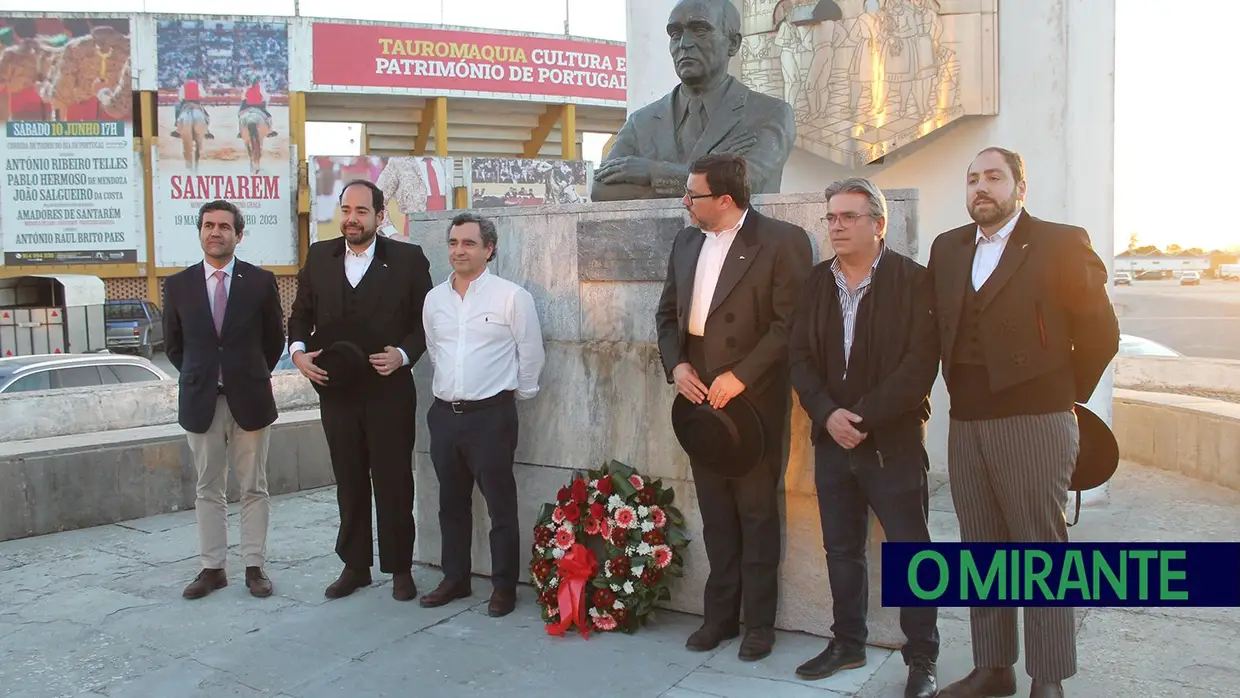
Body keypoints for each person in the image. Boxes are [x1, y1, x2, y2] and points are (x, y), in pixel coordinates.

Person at [928, 147, 1120, 698]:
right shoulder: (948, 247)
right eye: (972, 179)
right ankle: (994, 668)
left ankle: (1049, 678)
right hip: (966, 419)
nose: (980, 188)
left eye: (993, 177)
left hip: (1035, 417)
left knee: (1039, 548)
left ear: (1020, 187)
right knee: (981, 547)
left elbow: (1101, 333)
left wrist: (1059, 397)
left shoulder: (1060, 241)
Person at [654, 153, 813, 660]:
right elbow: (665, 314)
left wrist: (740, 377)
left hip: (753, 397)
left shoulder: (783, 241)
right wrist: (676, 366)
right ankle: (719, 617)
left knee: (758, 513)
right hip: (697, 393)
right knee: (716, 513)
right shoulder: (685, 240)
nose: (685, 201)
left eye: (693, 194)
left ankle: (759, 627)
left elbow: (790, 324)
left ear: (724, 199)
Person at [787, 178, 940, 697]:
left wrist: (863, 418)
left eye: (848, 217)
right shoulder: (814, 284)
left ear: (878, 224)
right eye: (831, 217)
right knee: (842, 550)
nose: (836, 226)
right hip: (832, 443)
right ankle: (847, 643)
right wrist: (828, 415)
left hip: (891, 443)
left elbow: (919, 366)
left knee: (912, 553)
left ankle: (922, 658)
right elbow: (800, 359)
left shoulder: (913, 282)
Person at [287, 179, 434, 602]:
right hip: (338, 389)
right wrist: (298, 354)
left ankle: (400, 567)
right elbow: (300, 315)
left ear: (379, 216)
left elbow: (425, 322)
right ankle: (355, 566)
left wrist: (404, 355)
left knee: (392, 481)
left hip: (389, 390)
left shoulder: (407, 260)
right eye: (346, 210)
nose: (351, 219)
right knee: (348, 480)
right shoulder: (320, 256)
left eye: (361, 211)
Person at [417, 212, 546, 618]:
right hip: (444, 416)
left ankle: (504, 586)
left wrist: (512, 396)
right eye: (453, 242)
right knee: (451, 503)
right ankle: (455, 578)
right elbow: (435, 350)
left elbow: (531, 354)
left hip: (491, 416)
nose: (459, 250)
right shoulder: (434, 300)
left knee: (500, 506)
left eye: (469, 243)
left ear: (489, 250)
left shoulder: (511, 297)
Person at [162, 199, 286, 600]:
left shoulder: (260, 281)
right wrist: (207, 377)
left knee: (254, 487)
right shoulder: (178, 285)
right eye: (208, 225)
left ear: (238, 234)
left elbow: (274, 341)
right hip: (201, 401)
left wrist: (245, 374)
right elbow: (175, 347)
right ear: (200, 232)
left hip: (249, 399)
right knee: (207, 488)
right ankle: (212, 568)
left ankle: (254, 566)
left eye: (224, 226)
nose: (215, 232)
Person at [591, 0, 795, 201]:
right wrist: (710, 181)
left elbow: (746, 183)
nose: (684, 44)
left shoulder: (769, 113)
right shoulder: (641, 123)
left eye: (700, 30)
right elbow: (601, 191)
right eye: (675, 34)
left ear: (732, 43)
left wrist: (653, 172)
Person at [169, 71, 214, 139]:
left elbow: (180, 97)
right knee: (206, 116)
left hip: (186, 103)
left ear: (187, 78)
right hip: (196, 103)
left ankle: (177, 129)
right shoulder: (198, 85)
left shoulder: (183, 86)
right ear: (194, 78)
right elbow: (203, 95)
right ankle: (207, 131)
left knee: (178, 110)